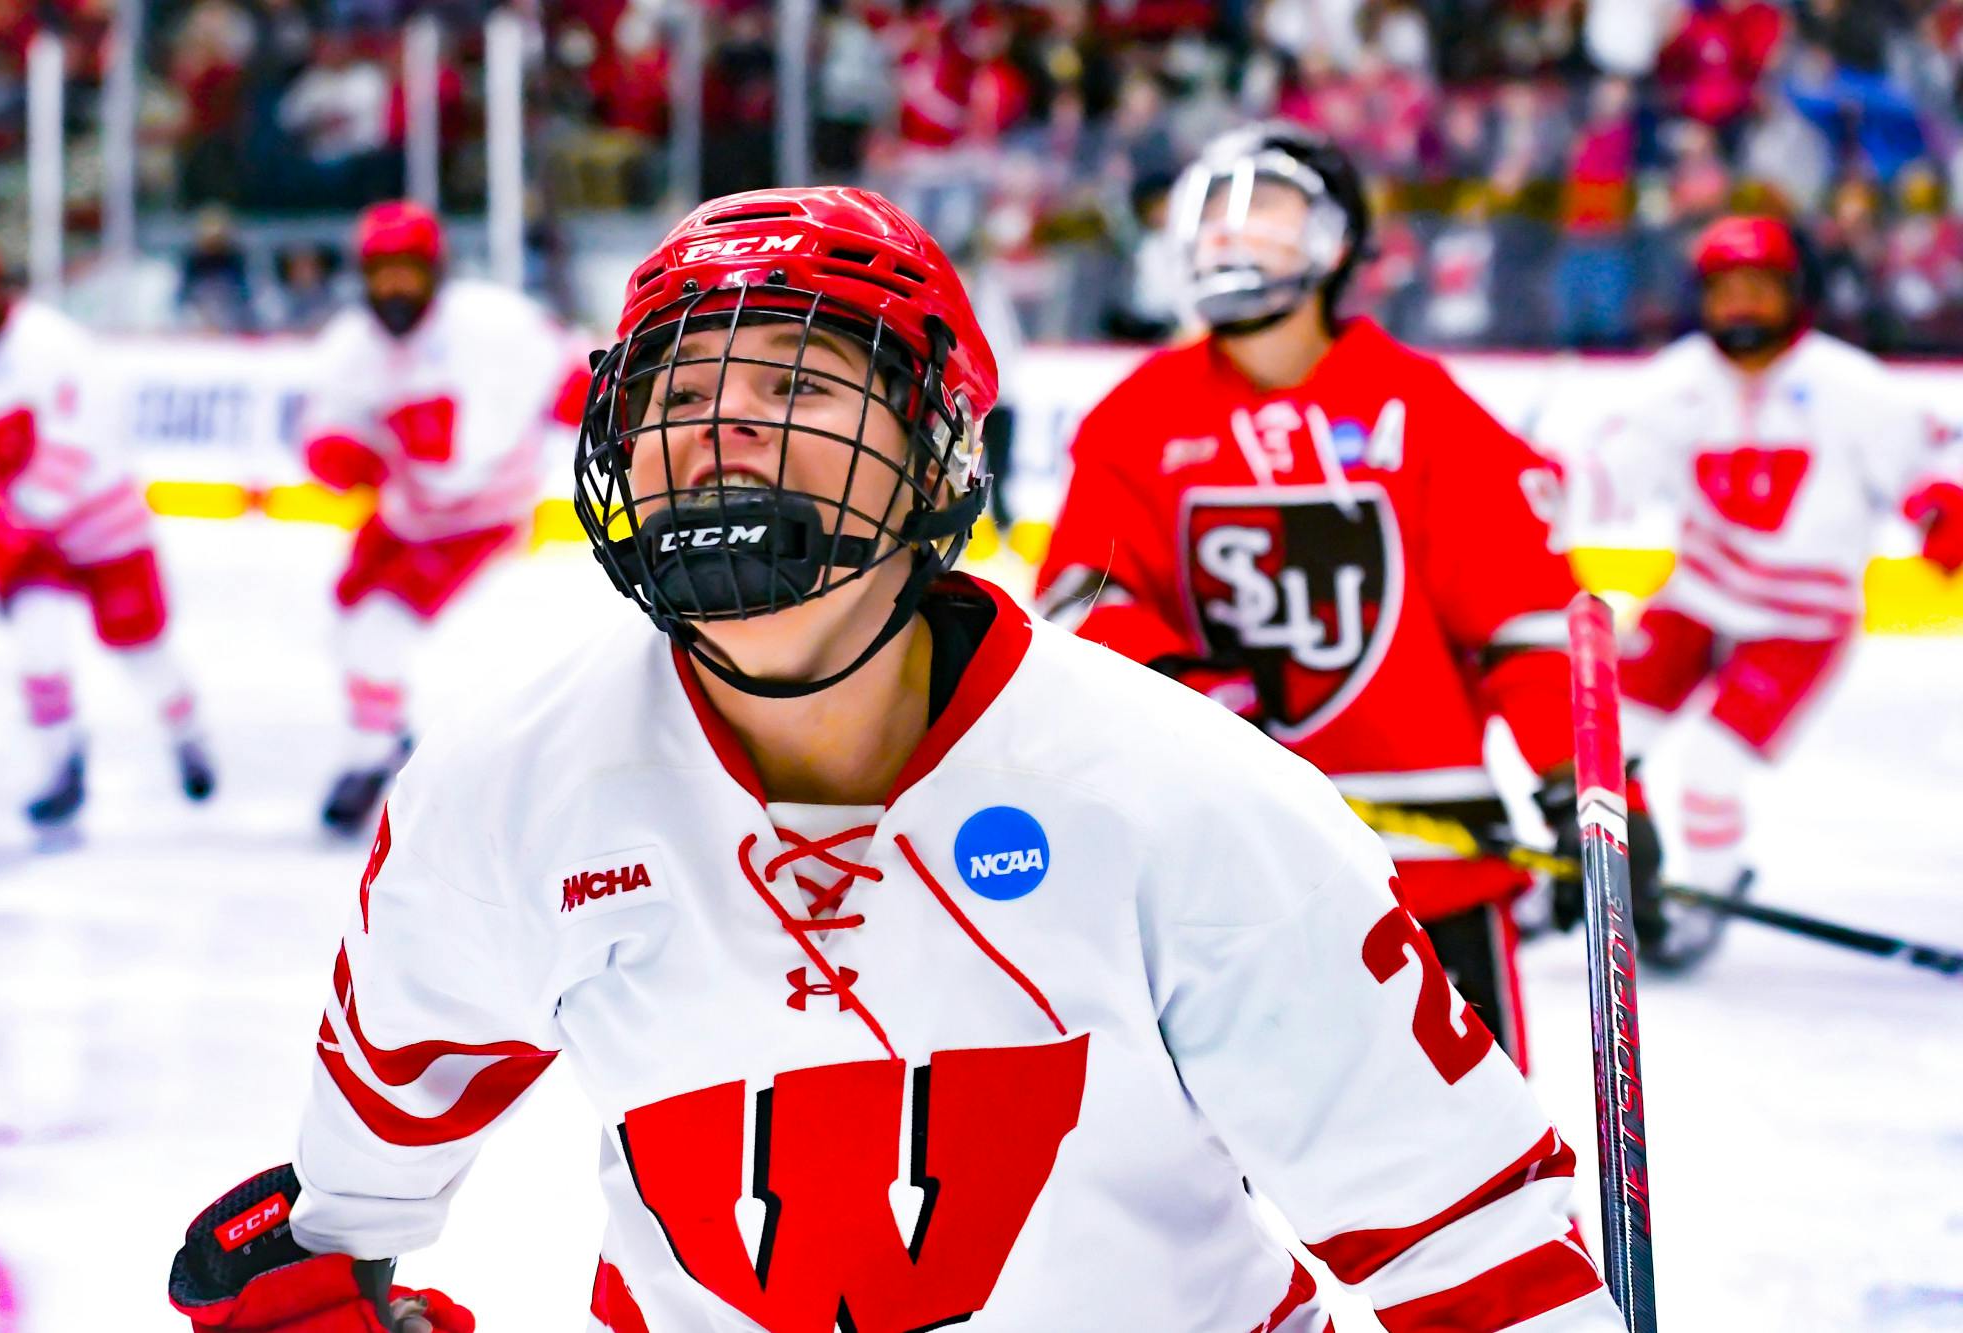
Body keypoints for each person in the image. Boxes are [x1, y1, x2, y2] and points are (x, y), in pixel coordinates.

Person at [168, 187, 1623, 1333]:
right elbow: (344, 1207)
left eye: (798, 383)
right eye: (675, 396)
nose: (721, 426)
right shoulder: (499, 796)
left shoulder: (1191, 798)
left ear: (940, 456)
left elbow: (1474, 1243)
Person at [1036, 122, 1658, 1055]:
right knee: (1193, 1186)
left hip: (1427, 871)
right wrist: (1188, 699)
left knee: (1486, 1188)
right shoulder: (1137, 419)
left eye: (1268, 216)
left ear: (1334, 244)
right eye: (1213, 218)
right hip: (1220, 864)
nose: (1232, 240)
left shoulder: (1423, 409)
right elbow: (1083, 601)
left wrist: (1593, 791)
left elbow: (1524, 621)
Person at [1558, 214, 1963, 966]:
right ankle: (1618, 880)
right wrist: (1542, 496)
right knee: (1604, 743)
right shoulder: (1678, 383)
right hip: (1696, 598)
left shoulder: (1848, 387)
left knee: (1711, 769)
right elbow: (1604, 472)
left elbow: (1934, 455)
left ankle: (1706, 894)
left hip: (1800, 621)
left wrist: (1943, 503)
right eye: (1724, 289)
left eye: (1758, 288)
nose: (1739, 306)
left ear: (1795, 293)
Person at [298, 200, 589, 835]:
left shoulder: (494, 325)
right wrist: (338, 453)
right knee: (347, 623)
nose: (394, 287)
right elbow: (327, 427)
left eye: (408, 271)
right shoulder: (352, 346)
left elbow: (574, 375)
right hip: (406, 516)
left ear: (436, 269)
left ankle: (369, 758)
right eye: (381, 272)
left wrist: (602, 420)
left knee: (377, 629)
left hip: (480, 519)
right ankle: (385, 733)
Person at [0, 226, 215, 827]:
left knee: (141, 650)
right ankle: (61, 765)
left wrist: (11, 524)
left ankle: (186, 733)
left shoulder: (49, 344)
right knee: (36, 644)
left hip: (105, 528)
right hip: (37, 540)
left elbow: (76, 446)